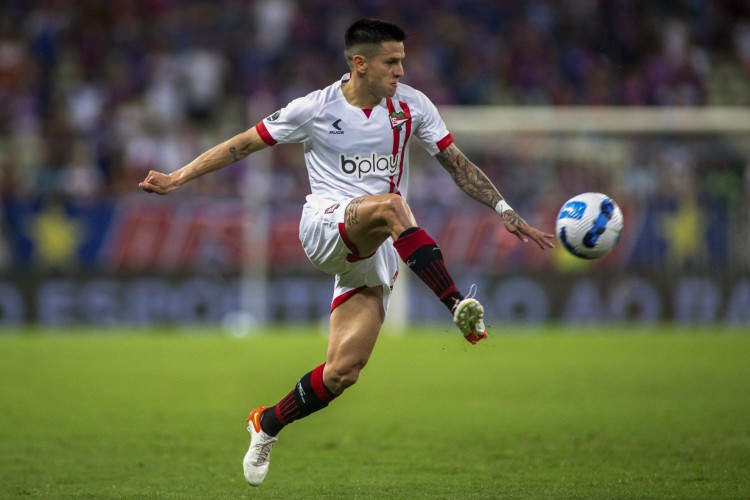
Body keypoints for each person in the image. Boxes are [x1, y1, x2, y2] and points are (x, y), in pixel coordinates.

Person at [139, 18, 555, 487]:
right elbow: (241, 145)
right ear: (359, 63)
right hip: (325, 223)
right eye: (391, 61)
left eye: (403, 59)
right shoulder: (313, 109)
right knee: (396, 206)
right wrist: (177, 178)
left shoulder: (412, 106)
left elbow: (456, 164)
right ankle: (457, 304)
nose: (401, 70)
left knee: (343, 372)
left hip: (375, 242)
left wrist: (503, 207)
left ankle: (267, 423)